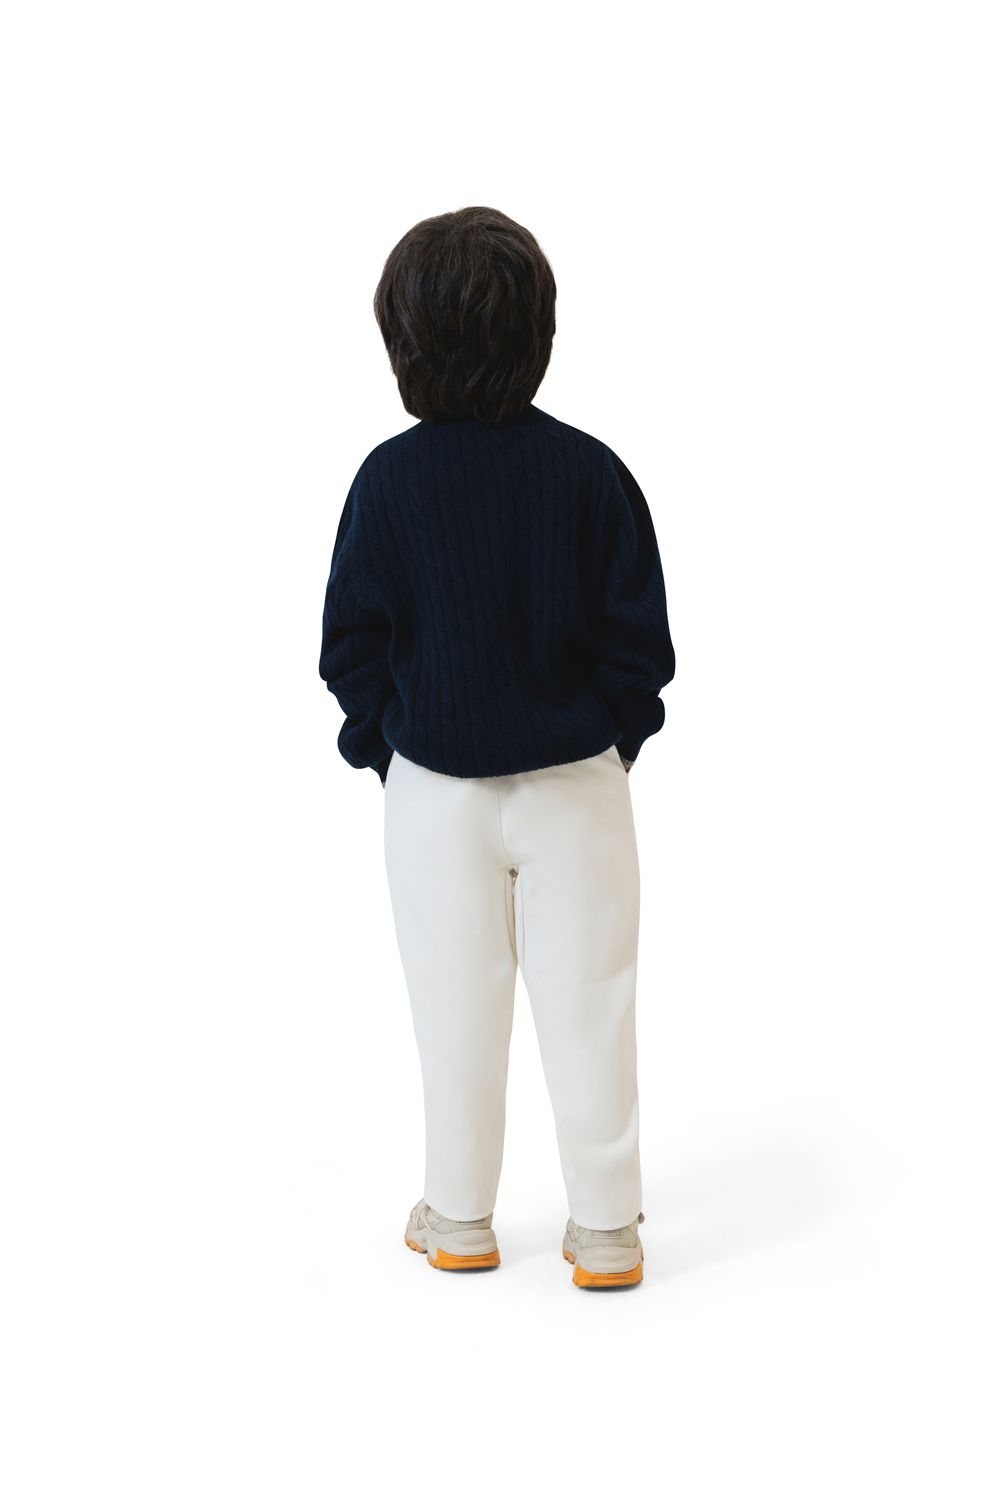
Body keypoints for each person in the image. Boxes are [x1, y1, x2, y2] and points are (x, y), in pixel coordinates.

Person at [319, 206, 676, 1288]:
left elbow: (349, 647)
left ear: (403, 341)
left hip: (433, 790)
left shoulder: (387, 480)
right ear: (539, 331)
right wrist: (608, 746)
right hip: (577, 785)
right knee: (593, 1005)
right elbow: (640, 647)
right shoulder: (591, 472)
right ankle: (606, 1228)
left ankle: (460, 1216)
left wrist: (390, 751)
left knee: (453, 1011)